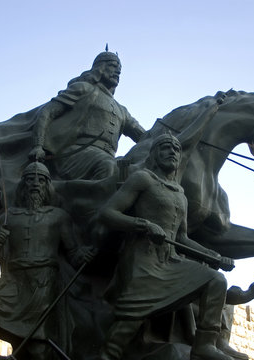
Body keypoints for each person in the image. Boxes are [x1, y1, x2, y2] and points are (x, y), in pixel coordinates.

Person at [97, 133, 236, 360]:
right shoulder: (142, 179)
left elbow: (181, 238)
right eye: (165, 147)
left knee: (216, 280)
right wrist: (144, 225)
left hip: (171, 261)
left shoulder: (180, 194)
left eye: (176, 149)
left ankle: (204, 344)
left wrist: (212, 256)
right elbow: (107, 213)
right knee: (127, 326)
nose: (172, 151)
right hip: (142, 262)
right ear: (154, 154)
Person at [0, 162, 94, 360]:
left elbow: (73, 254)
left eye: (41, 180)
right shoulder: (8, 217)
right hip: (10, 286)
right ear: (23, 185)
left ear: (48, 186)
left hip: (42, 287)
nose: (35, 184)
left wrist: (86, 255)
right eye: (30, 179)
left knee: (37, 352)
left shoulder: (58, 217)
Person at [28, 50, 145, 180]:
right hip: (75, 154)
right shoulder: (83, 89)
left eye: (120, 69)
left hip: (107, 157)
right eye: (113, 66)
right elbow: (47, 112)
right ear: (100, 67)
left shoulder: (122, 110)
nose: (118, 72)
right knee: (109, 166)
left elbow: (144, 136)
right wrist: (37, 145)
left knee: (133, 171)